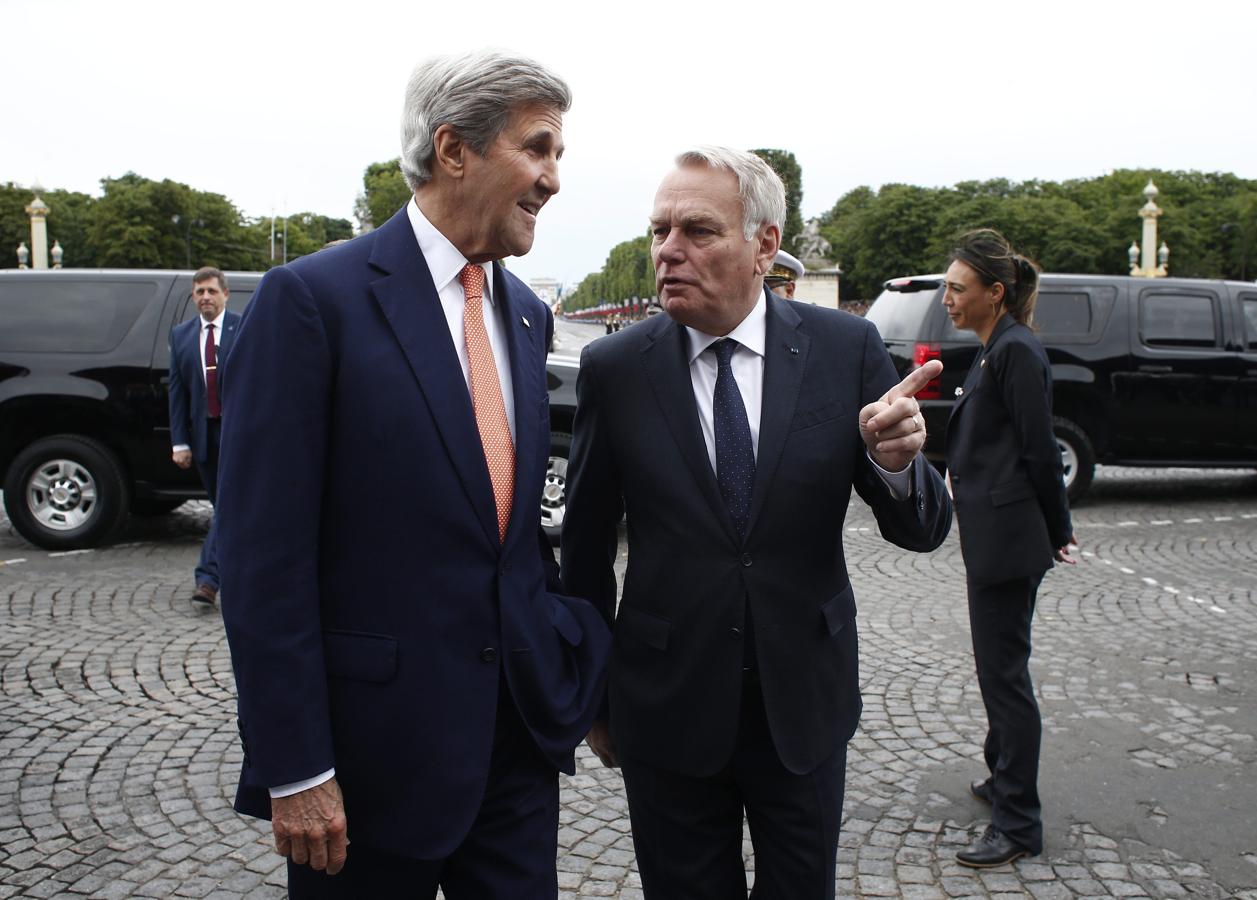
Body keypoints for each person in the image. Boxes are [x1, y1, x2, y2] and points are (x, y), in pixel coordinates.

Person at [215, 49, 610, 898]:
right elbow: (260, 559)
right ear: (453, 149)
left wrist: (565, 661)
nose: (551, 179)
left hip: (515, 760)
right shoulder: (312, 301)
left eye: (558, 157)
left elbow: (509, 539)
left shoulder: (528, 314)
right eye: (537, 149)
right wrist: (295, 767)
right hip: (364, 772)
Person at [560, 146, 953, 899]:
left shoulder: (845, 349)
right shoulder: (616, 368)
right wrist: (594, 699)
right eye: (658, 230)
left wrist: (898, 464)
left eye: (697, 231)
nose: (667, 251)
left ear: (764, 245)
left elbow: (922, 530)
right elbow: (583, 550)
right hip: (665, 708)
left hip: (801, 702)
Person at [942, 229, 1076, 868]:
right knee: (998, 671)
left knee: (1005, 680)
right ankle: (1003, 779)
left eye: (957, 289)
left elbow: (1038, 450)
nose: (947, 298)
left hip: (1009, 541)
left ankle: (1019, 821)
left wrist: (1059, 530)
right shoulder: (997, 348)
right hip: (993, 537)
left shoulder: (1017, 352)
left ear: (994, 294)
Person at [168, 266, 239, 607]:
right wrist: (179, 442)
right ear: (193, 297)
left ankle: (208, 579)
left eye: (211, 291)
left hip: (238, 433)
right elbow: (177, 393)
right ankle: (236, 572)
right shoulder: (181, 335)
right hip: (204, 438)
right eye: (200, 292)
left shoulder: (244, 328)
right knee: (223, 507)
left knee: (227, 505)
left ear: (225, 294)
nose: (206, 298)